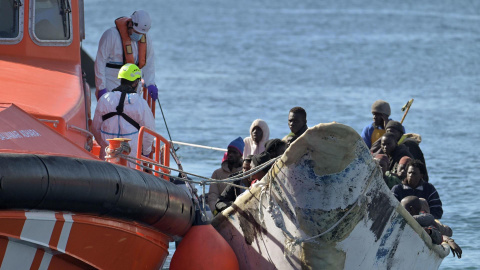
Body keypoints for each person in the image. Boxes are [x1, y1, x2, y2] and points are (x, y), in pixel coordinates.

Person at [92, 63, 155, 168]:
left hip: (107, 157)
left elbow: (95, 128)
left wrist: (104, 144)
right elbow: (149, 132)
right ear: (135, 83)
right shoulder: (141, 103)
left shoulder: (105, 99)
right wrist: (145, 151)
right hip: (132, 160)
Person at [94, 10, 158, 101]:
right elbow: (100, 61)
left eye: (141, 34)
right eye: (136, 32)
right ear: (130, 23)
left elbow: (149, 62)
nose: (138, 35)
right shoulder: (111, 35)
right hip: (112, 84)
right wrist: (101, 88)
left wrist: (151, 83)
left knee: (132, 114)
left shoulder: (146, 39)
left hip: (134, 87)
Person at [207, 137, 244, 212]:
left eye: (234, 152)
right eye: (229, 152)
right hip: (219, 210)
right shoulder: (217, 173)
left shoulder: (245, 173)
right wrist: (215, 211)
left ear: (240, 155)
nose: (230, 154)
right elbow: (213, 196)